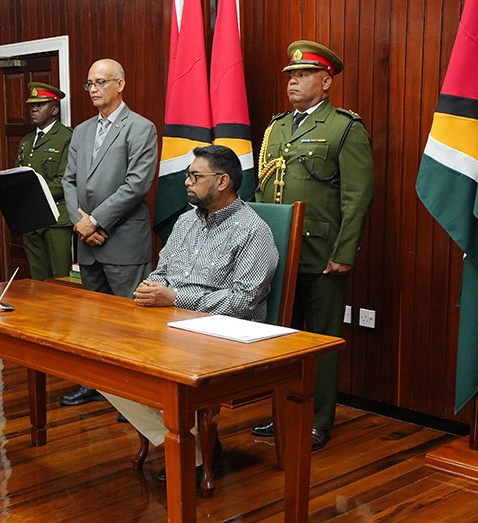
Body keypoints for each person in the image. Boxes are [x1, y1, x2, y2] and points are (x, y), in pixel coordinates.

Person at [103, 145, 279, 481]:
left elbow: (244, 300)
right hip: (170, 325)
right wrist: (150, 289)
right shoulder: (185, 222)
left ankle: (190, 450)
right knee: (103, 364)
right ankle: (196, 450)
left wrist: (175, 299)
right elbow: (162, 271)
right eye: (188, 175)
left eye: (195, 176)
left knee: (147, 370)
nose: (186, 182)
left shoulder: (253, 231)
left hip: (225, 337)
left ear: (223, 181)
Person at [251, 40, 374, 451]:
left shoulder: (344, 127)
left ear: (326, 82)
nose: (293, 81)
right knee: (280, 339)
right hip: (277, 253)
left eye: (303, 75)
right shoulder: (277, 127)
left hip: (322, 255)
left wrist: (344, 252)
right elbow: (264, 191)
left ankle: (318, 419)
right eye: (290, 75)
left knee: (319, 340)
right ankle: (282, 412)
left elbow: (357, 196)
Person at [59, 58, 158, 407]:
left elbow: (136, 185)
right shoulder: (82, 131)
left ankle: (135, 396)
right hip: (88, 243)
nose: (94, 90)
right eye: (89, 84)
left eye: (101, 82)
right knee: (93, 322)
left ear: (120, 84)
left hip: (124, 244)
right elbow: (68, 180)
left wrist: (96, 221)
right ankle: (95, 385)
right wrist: (80, 223)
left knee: (132, 325)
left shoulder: (141, 128)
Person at [17, 82, 74, 281]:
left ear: (55, 109)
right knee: (37, 278)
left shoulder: (66, 137)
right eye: (32, 105)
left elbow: (64, 180)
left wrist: (32, 198)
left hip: (56, 218)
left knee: (60, 280)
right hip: (31, 219)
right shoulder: (26, 140)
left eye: (39, 105)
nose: (33, 109)